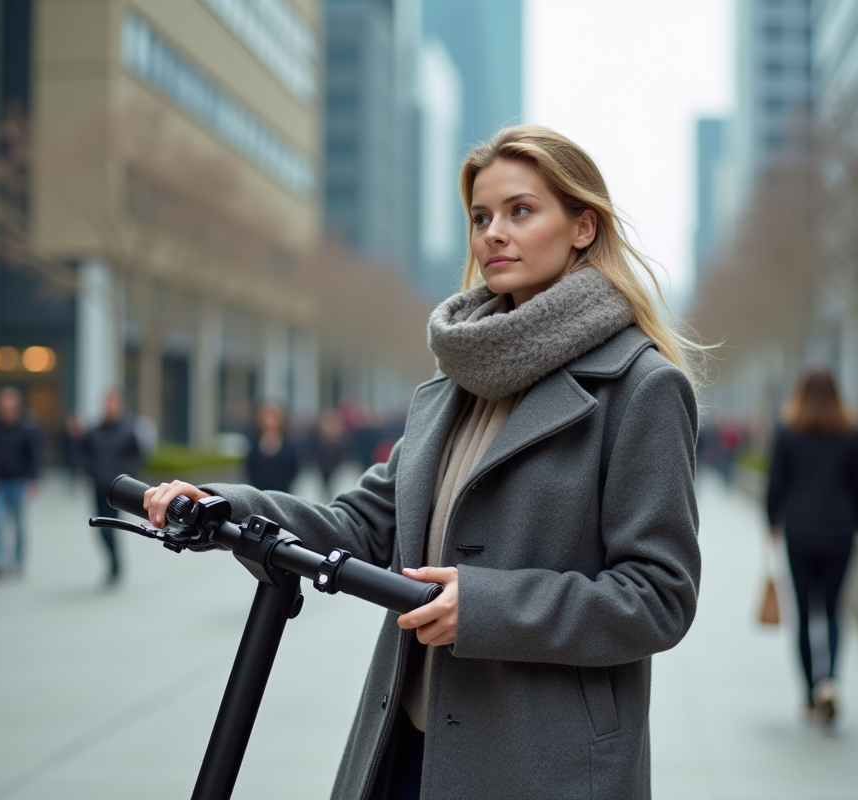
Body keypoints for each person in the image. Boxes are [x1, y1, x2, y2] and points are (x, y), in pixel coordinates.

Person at [143, 126, 702, 799]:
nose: (494, 232)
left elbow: (657, 597)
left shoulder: (640, 388)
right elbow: (362, 524)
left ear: (583, 226)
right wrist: (224, 506)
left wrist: (488, 607)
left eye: (520, 211)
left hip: (541, 766)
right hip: (406, 747)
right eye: (480, 217)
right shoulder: (451, 388)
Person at [766, 369, 858, 725]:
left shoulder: (788, 430)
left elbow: (775, 483)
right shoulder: (851, 432)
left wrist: (772, 524)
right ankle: (831, 682)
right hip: (839, 533)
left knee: (803, 613)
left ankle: (811, 695)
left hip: (799, 531)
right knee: (831, 611)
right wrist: (857, 523)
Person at [80, 390, 144, 586]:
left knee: (113, 526)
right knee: (101, 529)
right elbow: (83, 454)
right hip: (99, 487)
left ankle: (115, 565)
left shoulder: (127, 431)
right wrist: (93, 472)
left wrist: (127, 474)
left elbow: (137, 456)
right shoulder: (94, 431)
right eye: (107, 404)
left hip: (119, 490)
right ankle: (113, 560)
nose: (109, 408)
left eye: (113, 404)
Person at [0, 387, 42, 578]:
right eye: (4, 408)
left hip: (19, 482)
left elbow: (34, 454)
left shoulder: (26, 428)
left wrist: (33, 479)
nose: (7, 412)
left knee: (19, 525)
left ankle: (19, 561)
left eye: (11, 408)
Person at [245, 402, 300, 493]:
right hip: (259, 494)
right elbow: (251, 469)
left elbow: (293, 470)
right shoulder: (254, 445)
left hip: (282, 494)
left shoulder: (289, 446)